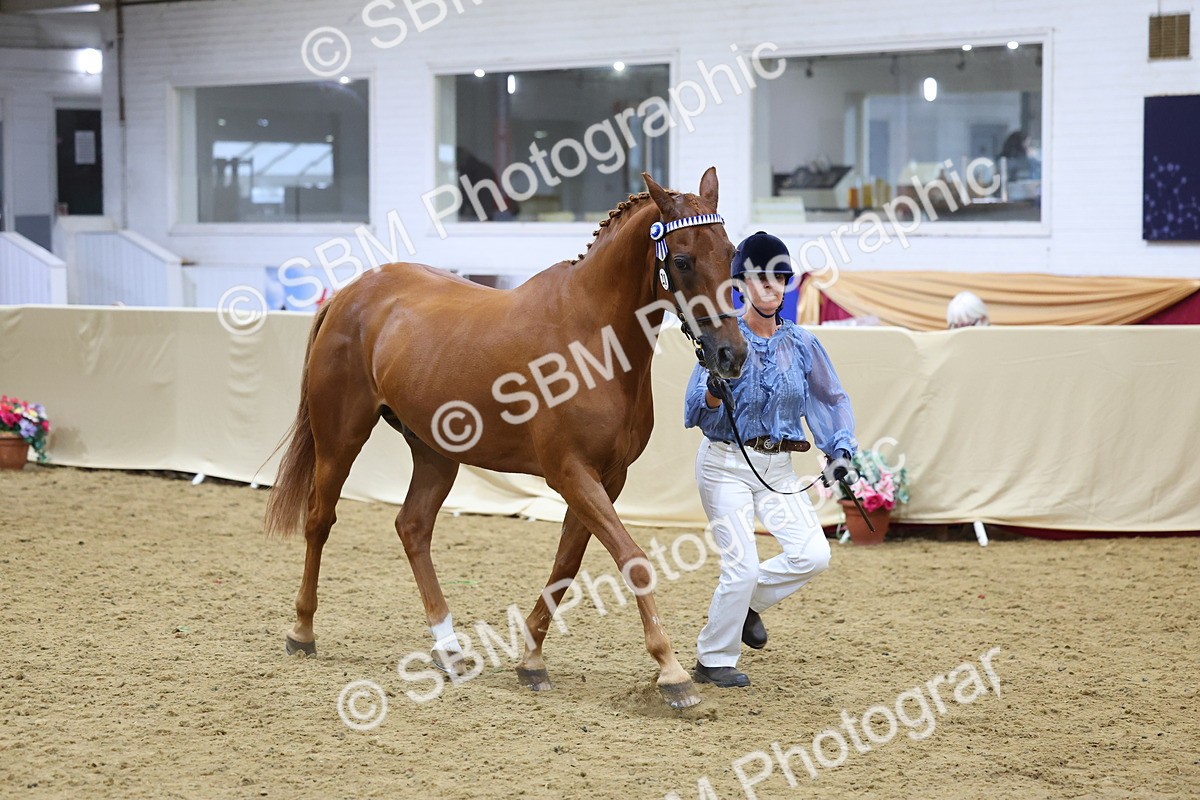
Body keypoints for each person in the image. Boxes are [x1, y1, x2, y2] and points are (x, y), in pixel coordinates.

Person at [683, 231, 858, 688]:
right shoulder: (723, 336)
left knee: (813, 554)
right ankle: (713, 659)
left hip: (777, 468)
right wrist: (715, 396)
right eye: (762, 279)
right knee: (739, 568)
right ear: (741, 284)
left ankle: (747, 606)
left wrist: (838, 448)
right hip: (726, 466)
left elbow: (829, 398)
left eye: (780, 278)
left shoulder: (801, 344)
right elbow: (694, 408)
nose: (773, 288)